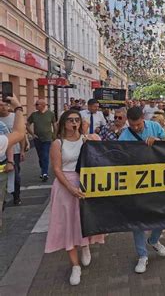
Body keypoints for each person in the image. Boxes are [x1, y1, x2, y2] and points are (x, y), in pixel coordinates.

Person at [45, 110, 105, 286]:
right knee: (67, 224)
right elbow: (56, 169)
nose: (74, 123)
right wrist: (70, 188)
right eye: (70, 120)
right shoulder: (58, 143)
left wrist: (88, 137)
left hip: (85, 184)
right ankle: (75, 265)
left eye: (77, 120)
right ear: (63, 123)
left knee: (83, 220)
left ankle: (85, 246)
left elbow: (102, 153)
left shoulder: (86, 139)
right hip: (65, 185)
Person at [118, 106, 165, 273]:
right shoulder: (124, 135)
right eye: (132, 125)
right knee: (138, 220)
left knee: (163, 212)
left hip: (157, 179)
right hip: (136, 183)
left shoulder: (154, 126)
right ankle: (142, 255)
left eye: (138, 125)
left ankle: (154, 240)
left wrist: (158, 140)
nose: (135, 128)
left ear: (143, 119)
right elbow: (119, 157)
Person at [0, 100, 26, 205]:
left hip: (12, 153)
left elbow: (21, 134)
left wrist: (22, 150)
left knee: (15, 177)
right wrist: (18, 107)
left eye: (2, 104)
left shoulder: (9, 120)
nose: (1, 107)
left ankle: (16, 196)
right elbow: (19, 133)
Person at [27, 99, 57, 182]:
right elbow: (27, 124)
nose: (35, 106)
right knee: (41, 156)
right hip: (37, 139)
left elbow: (54, 124)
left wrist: (54, 135)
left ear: (43, 105)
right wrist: (32, 134)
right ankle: (43, 170)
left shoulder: (50, 114)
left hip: (47, 138)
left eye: (37, 104)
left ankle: (45, 173)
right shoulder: (34, 115)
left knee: (45, 155)